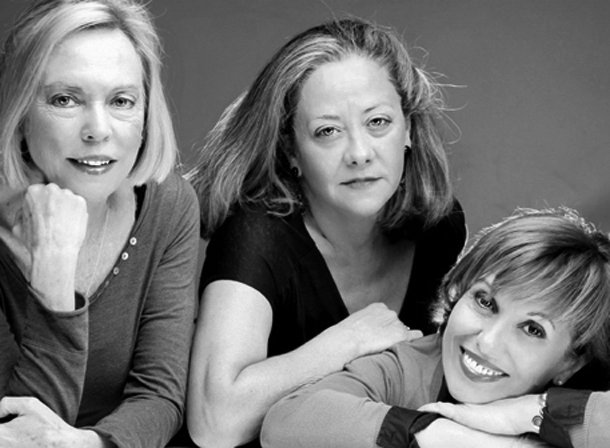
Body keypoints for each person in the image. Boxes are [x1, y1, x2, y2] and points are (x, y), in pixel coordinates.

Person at [187, 18, 466, 448]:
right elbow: (214, 423)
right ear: (291, 151)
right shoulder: (257, 236)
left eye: (378, 122)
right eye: (328, 131)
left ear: (408, 129)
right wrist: (349, 341)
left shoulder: (437, 226)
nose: (359, 153)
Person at [0, 1, 199, 447]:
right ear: (20, 112)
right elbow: (19, 429)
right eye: (65, 99)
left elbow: (160, 396)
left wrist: (92, 444)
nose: (98, 130)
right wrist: (54, 274)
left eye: (121, 101)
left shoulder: (168, 205)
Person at [261, 207, 610, 448]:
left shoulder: (587, 408)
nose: (487, 342)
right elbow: (287, 420)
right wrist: (439, 436)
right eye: (485, 302)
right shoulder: (409, 365)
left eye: (532, 329)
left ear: (570, 362)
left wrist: (531, 415)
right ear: (459, 290)